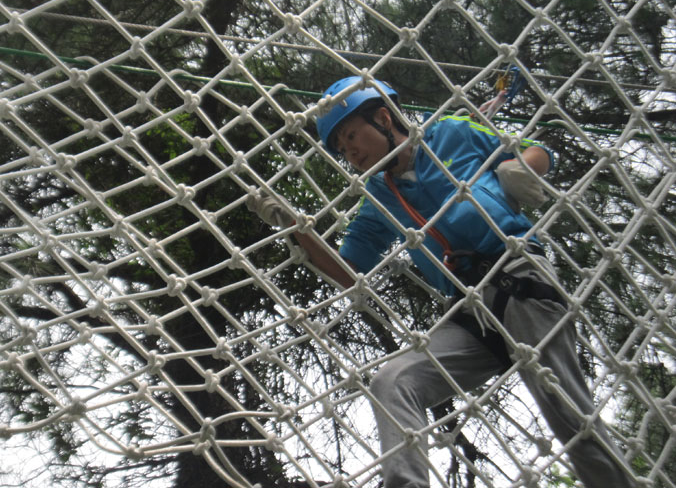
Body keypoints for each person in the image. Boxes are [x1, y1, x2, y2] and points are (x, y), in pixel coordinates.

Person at [247, 76, 635, 488]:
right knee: (393, 381)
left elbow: (538, 151)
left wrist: (522, 167)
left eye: (351, 135)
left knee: (569, 416)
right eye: (342, 148)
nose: (351, 152)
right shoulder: (377, 200)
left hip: (520, 280)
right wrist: (295, 226)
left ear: (382, 117)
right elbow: (349, 272)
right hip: (468, 312)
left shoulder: (452, 132)